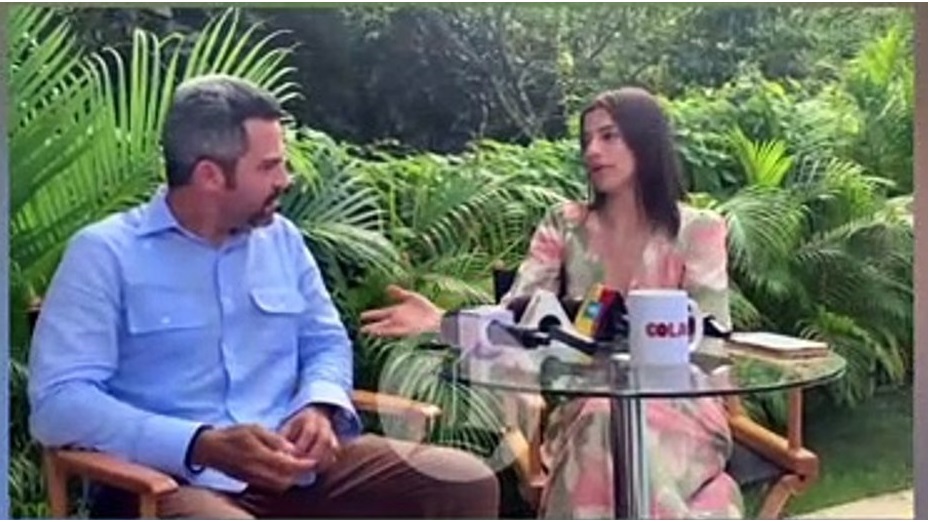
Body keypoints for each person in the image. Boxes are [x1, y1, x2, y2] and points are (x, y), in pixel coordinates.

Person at [28, 74, 500, 519]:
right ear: (210, 176)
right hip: (166, 484)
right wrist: (199, 444)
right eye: (270, 166)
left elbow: (324, 342)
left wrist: (318, 406)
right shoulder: (105, 254)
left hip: (293, 466)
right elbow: (59, 403)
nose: (286, 179)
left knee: (462, 482)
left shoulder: (283, 240)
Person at [359, 87, 743, 519]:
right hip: (583, 412)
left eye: (609, 136)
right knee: (601, 419)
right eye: (587, 140)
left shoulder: (697, 230)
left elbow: (711, 347)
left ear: (645, 140)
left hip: (684, 413)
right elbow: (517, 320)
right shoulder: (565, 225)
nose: (592, 150)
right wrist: (442, 322)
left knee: (606, 425)